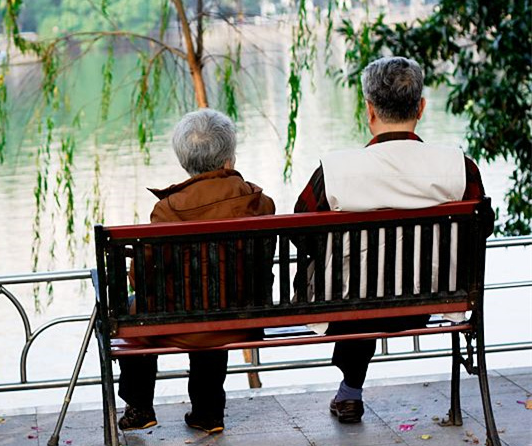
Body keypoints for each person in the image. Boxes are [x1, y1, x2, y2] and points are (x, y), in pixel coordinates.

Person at [294, 56, 489, 424]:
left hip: (352, 305)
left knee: (355, 280)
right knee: (370, 278)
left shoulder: (334, 172)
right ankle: (349, 391)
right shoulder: (460, 168)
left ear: (369, 110)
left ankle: (350, 391)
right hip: (430, 298)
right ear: (421, 107)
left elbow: (301, 235)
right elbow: (482, 229)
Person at [117, 108, 276, 433]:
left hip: (185, 324)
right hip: (246, 318)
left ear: (184, 161)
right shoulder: (259, 202)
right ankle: (207, 412)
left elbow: (141, 278)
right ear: (229, 158)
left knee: (135, 312)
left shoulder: (168, 209)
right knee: (217, 301)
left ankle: (139, 406)